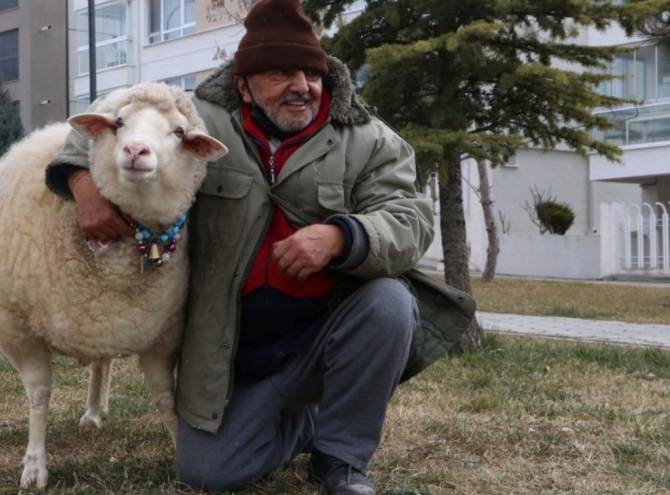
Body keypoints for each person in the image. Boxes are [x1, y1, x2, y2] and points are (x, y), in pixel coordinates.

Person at [45, 0, 473, 493]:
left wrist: (341, 236)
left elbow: (409, 219)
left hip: (323, 336)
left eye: (312, 73)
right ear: (244, 86)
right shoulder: (195, 117)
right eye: (280, 74)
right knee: (207, 474)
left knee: (390, 303)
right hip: (233, 353)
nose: (302, 86)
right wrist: (82, 184)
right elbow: (106, 122)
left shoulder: (368, 139)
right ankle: (304, 424)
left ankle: (341, 459)